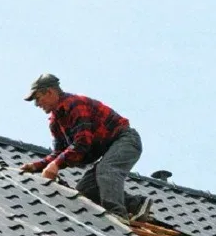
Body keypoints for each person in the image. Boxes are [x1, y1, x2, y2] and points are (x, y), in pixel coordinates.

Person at [20, 73, 152, 223]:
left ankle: (117, 214)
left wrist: (55, 165)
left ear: (50, 92)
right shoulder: (56, 122)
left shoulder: (76, 105)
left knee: (107, 170)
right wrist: (34, 167)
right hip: (110, 148)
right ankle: (136, 204)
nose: (37, 104)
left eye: (37, 98)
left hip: (125, 140)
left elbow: (83, 143)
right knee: (85, 190)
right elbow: (59, 153)